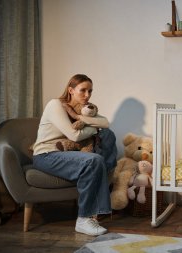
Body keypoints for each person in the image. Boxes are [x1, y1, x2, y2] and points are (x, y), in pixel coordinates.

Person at [32, 74, 117, 236]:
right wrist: (93, 127)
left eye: (90, 91)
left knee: (108, 135)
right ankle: (84, 219)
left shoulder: (84, 109)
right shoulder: (55, 104)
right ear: (71, 90)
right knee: (94, 160)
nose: (87, 95)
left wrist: (79, 117)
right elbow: (74, 136)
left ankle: (96, 207)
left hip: (67, 154)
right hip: (46, 155)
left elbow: (106, 123)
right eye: (82, 90)